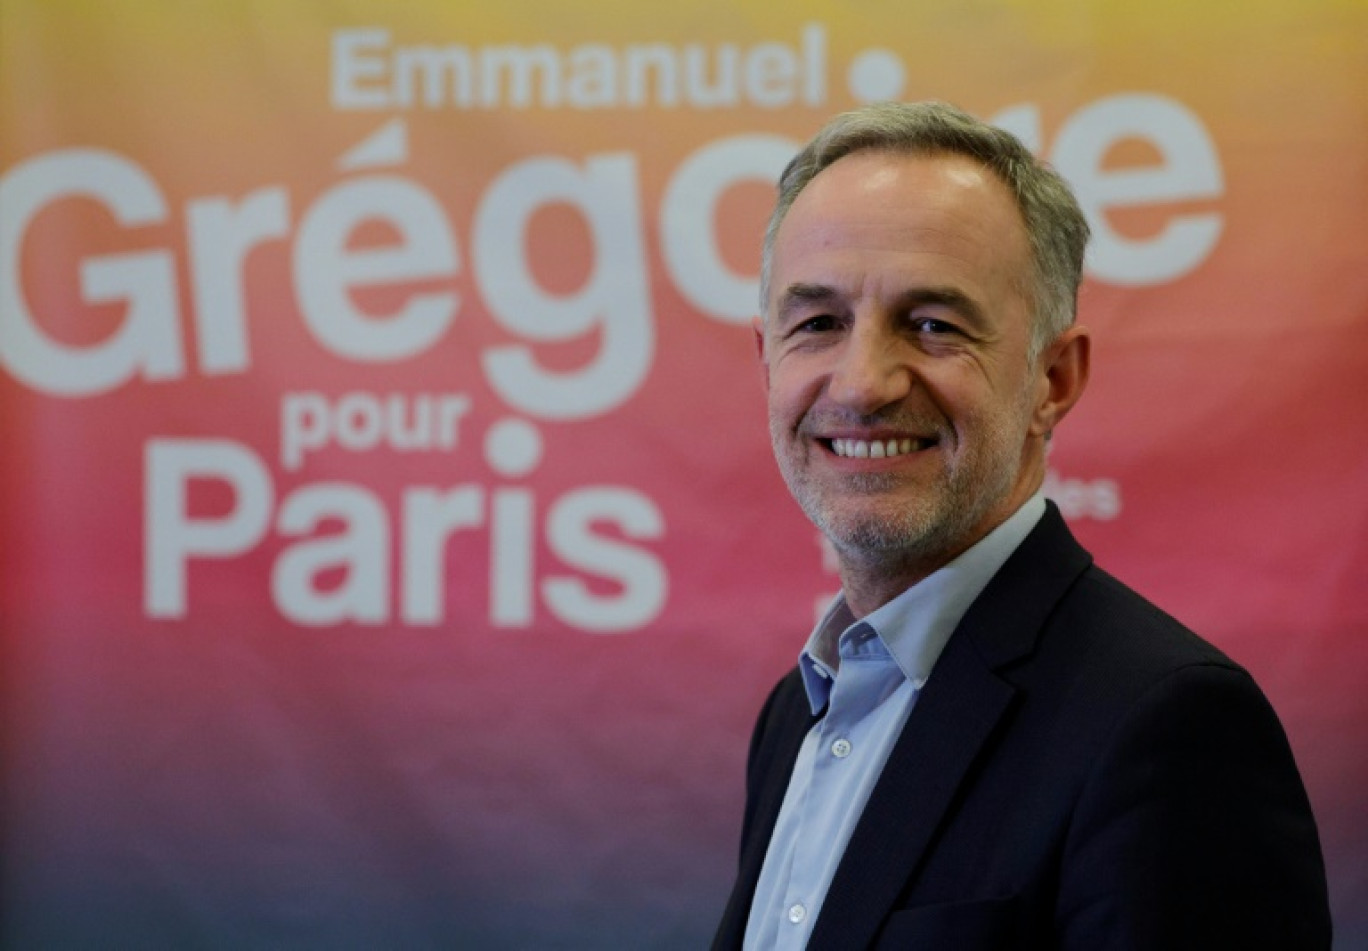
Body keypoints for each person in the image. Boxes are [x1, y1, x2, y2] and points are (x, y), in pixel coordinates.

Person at [712, 101, 1330, 950]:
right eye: (817, 323)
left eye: (932, 324)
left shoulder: (1169, 725)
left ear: (1054, 379)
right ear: (766, 361)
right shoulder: (800, 713)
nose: (860, 383)